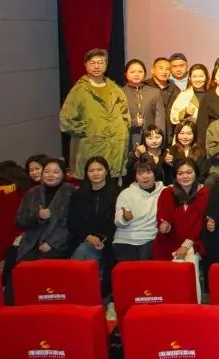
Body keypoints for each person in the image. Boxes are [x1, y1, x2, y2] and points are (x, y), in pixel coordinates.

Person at [3, 157, 74, 302]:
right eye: (47, 171)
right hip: (31, 242)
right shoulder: (32, 193)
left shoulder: (71, 192)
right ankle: (11, 307)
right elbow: (19, 220)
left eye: (55, 172)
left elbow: (72, 224)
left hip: (59, 244)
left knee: (41, 274)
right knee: (20, 272)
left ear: (63, 174)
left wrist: (52, 243)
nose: (50, 175)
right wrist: (37, 215)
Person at [60, 49, 130, 178]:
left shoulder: (116, 89)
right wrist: (88, 133)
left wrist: (122, 131)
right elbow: (67, 119)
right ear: (85, 65)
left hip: (116, 146)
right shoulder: (79, 91)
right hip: (91, 146)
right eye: (92, 63)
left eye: (100, 62)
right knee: (92, 180)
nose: (96, 66)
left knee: (112, 182)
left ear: (106, 64)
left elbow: (125, 115)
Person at [154, 159, 209, 300]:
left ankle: (193, 306)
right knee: (168, 277)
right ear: (175, 176)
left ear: (196, 173)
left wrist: (186, 245)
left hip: (193, 241)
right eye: (180, 173)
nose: (185, 176)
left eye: (189, 172)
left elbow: (200, 223)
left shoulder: (204, 192)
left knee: (190, 264)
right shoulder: (167, 192)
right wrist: (164, 227)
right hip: (169, 240)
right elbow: (163, 217)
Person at [67, 156, 118, 296]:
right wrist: (88, 236)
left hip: (110, 240)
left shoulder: (118, 193)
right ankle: (79, 293)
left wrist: (101, 239)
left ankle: (95, 295)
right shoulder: (78, 195)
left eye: (99, 169)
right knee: (84, 250)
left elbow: (116, 222)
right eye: (91, 170)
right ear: (86, 173)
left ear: (106, 171)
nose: (95, 173)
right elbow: (72, 221)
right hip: (83, 238)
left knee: (87, 252)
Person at [113, 159, 164, 261]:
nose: (145, 176)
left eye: (148, 172)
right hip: (125, 239)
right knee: (128, 267)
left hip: (150, 238)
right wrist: (124, 218)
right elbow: (118, 222)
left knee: (145, 262)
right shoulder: (126, 193)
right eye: (140, 174)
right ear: (135, 176)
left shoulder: (165, 192)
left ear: (155, 174)